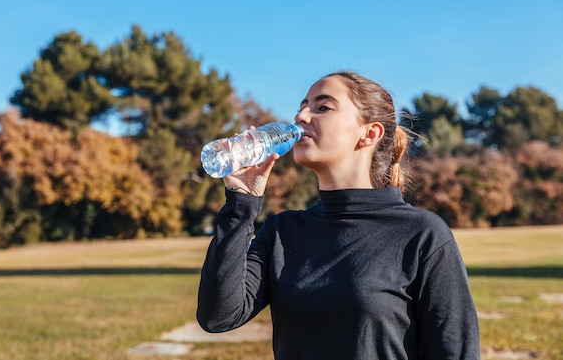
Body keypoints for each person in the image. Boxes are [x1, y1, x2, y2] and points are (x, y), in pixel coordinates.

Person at [196, 71, 480, 359]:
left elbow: (455, 352)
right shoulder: (282, 230)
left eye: (323, 107)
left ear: (369, 133)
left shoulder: (422, 233)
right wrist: (241, 204)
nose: (301, 117)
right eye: (302, 106)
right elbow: (218, 316)